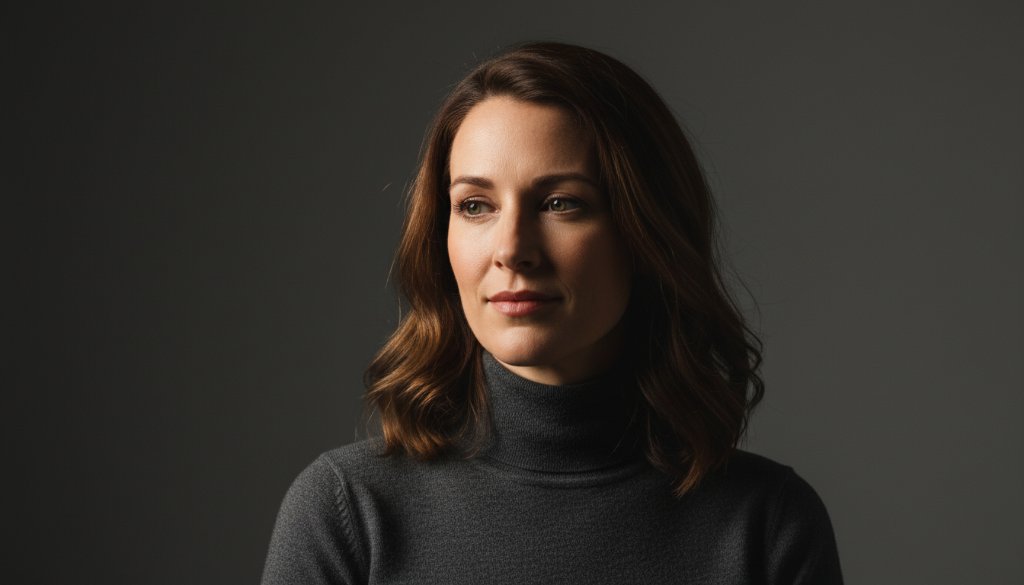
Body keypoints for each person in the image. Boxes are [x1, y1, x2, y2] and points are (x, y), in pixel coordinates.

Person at [261, 41, 843, 584]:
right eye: (475, 206)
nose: (512, 248)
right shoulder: (347, 510)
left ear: (647, 233)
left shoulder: (766, 523)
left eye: (561, 203)